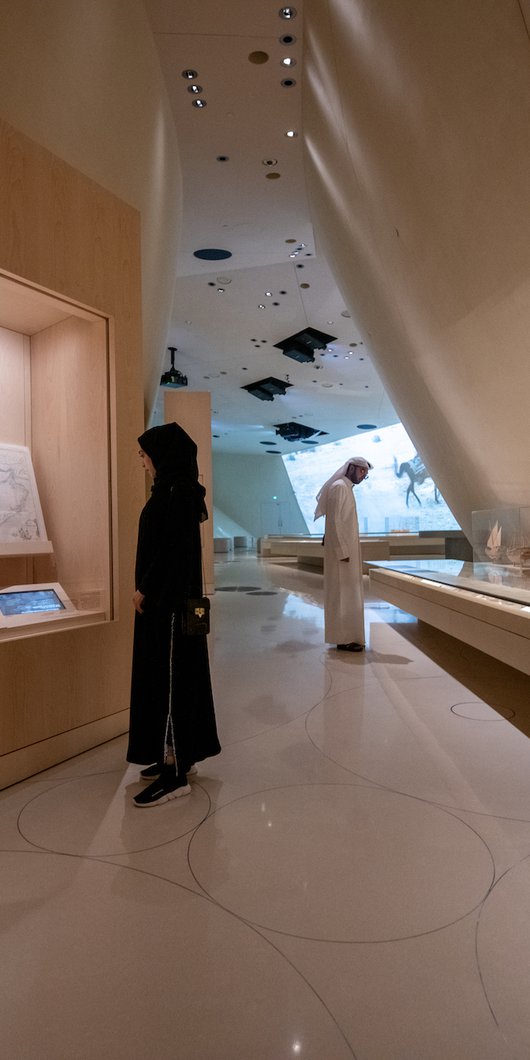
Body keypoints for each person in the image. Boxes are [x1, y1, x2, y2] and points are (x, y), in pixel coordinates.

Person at [127, 421, 221, 806]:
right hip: (170, 602)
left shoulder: (177, 492)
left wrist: (147, 589)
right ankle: (179, 751)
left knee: (170, 678)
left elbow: (171, 552)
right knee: (173, 676)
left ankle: (176, 771)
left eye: (145, 451)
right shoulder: (173, 489)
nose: (141, 458)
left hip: (168, 606)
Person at [314, 457, 373, 652]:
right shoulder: (339, 487)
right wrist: (342, 551)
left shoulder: (345, 487)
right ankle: (344, 637)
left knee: (348, 595)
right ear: (352, 468)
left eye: (366, 473)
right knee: (342, 595)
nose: (364, 476)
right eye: (362, 471)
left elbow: (336, 521)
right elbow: (335, 522)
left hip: (346, 552)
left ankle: (349, 636)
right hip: (343, 555)